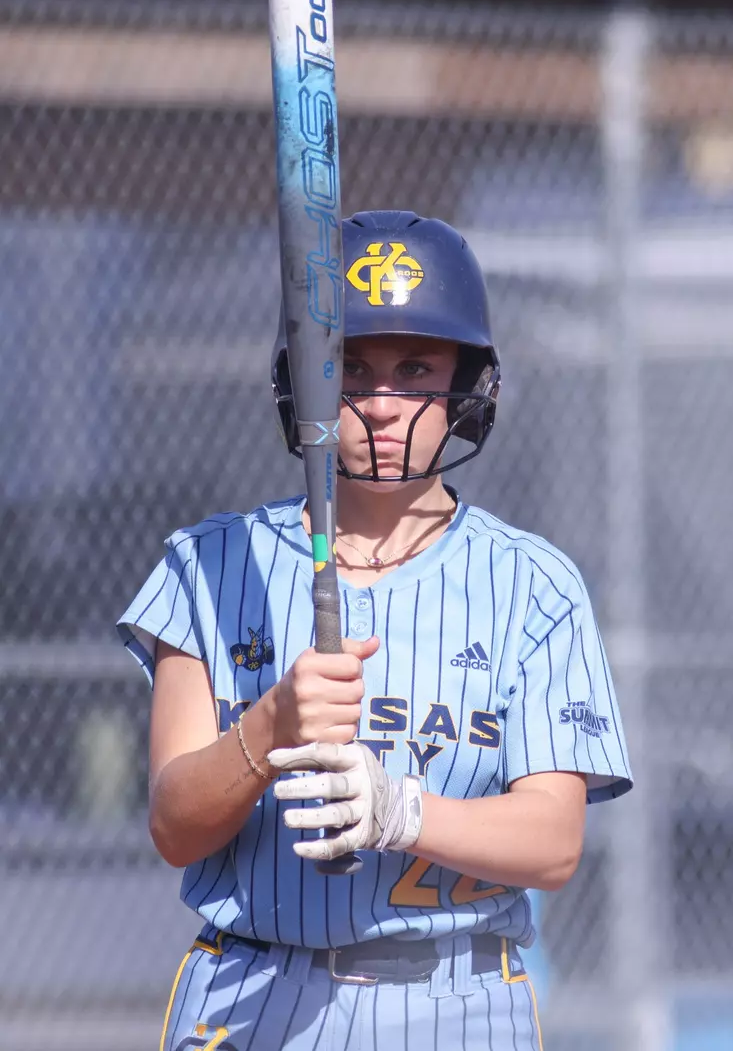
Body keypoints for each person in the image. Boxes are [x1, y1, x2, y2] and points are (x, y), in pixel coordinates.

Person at [118, 210, 632, 1051]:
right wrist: (269, 726)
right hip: (253, 991)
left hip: (458, 998)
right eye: (350, 367)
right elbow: (176, 827)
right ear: (303, 380)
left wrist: (399, 810)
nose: (382, 405)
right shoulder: (211, 560)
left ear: (468, 385)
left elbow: (553, 843)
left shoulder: (535, 585)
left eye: (417, 367)